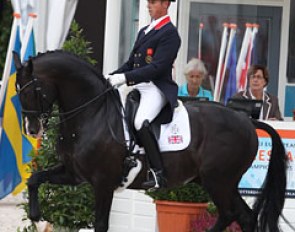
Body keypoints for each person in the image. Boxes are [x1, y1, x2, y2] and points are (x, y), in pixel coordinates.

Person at [107, 0, 181, 189]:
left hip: (156, 86)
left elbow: (157, 68)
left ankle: (158, 173)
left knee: (141, 121)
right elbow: (131, 63)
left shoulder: (170, 34)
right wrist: (110, 77)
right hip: (138, 84)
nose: (149, 5)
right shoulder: (145, 31)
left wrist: (125, 78)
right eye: (148, 2)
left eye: (153, 2)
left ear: (165, 4)